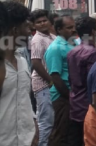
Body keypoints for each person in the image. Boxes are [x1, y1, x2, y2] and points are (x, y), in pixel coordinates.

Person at [0, 1, 38, 146]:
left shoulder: (22, 62)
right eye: (27, 26)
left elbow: (24, 99)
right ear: (15, 30)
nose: (30, 31)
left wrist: (33, 125)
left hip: (25, 139)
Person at [66, 16, 96, 145]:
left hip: (75, 101)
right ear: (93, 32)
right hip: (87, 103)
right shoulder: (93, 53)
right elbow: (92, 81)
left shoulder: (72, 52)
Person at [45, 15, 77, 146]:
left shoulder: (74, 43)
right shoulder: (55, 48)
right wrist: (69, 96)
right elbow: (55, 77)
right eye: (69, 28)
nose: (73, 30)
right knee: (61, 133)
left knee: (72, 132)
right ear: (59, 29)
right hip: (63, 97)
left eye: (73, 27)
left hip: (74, 95)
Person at [30, 9, 57, 146]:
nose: (42, 24)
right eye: (38, 22)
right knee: (45, 121)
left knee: (53, 120)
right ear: (34, 25)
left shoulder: (52, 37)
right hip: (43, 85)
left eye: (44, 20)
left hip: (52, 85)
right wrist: (50, 80)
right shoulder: (38, 39)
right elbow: (35, 62)